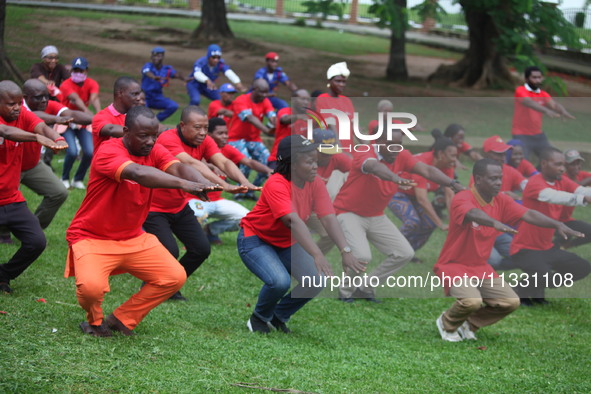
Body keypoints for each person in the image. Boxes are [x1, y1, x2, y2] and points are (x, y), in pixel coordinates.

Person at [64, 106, 220, 337]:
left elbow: (177, 167)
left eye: (154, 135)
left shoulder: (155, 150)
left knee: (174, 276)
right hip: (91, 237)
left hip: (133, 237)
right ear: (126, 131)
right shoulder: (109, 150)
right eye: (143, 135)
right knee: (91, 289)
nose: (150, 141)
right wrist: (185, 185)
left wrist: (201, 183)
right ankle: (94, 322)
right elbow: (137, 173)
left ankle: (122, 318)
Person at [433, 158, 580, 342]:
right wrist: (494, 221)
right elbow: (472, 213)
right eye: (493, 178)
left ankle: (469, 324)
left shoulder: (501, 200)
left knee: (510, 302)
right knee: (472, 301)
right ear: (478, 179)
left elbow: (528, 213)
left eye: (500, 178)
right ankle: (447, 323)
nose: (498, 182)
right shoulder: (463, 197)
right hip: (453, 265)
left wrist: (556, 224)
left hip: (480, 268)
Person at [238, 135, 365, 334]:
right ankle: (258, 319)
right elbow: (292, 220)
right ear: (293, 163)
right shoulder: (276, 184)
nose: (316, 166)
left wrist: (345, 250)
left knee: (315, 280)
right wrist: (317, 254)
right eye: (309, 162)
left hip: (286, 242)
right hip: (256, 239)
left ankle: (277, 316)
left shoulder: (315, 183)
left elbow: (329, 218)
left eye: (316, 161)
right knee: (279, 282)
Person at [332, 128, 464, 302]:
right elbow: (374, 167)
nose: (396, 149)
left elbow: (428, 171)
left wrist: (453, 183)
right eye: (390, 145)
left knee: (404, 253)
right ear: (378, 143)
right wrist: (394, 178)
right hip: (348, 213)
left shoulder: (401, 155)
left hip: (376, 215)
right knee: (362, 256)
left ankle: (365, 288)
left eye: (399, 145)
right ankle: (346, 292)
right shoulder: (365, 153)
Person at [143, 106, 258, 300]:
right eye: (197, 127)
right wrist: (225, 186)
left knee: (201, 249)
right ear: (182, 125)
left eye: (205, 127)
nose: (203, 132)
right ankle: (154, 285)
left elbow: (224, 162)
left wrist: (243, 182)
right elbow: (192, 164)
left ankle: (170, 285)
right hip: (153, 208)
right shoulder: (167, 140)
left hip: (179, 206)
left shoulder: (205, 141)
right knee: (170, 250)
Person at [0, 80, 67, 293]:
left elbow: (41, 126)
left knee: (36, 242)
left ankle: (4, 274)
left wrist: (57, 138)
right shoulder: (7, 123)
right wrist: (37, 138)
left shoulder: (22, 115)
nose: (17, 107)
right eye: (11, 103)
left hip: (12, 199)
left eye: (19, 103)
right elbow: (7, 132)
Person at [510, 148, 591, 305]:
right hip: (525, 249)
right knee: (544, 275)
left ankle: (527, 287)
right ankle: (521, 289)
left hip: (548, 247)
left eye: (563, 165)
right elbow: (554, 197)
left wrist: (585, 195)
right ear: (544, 163)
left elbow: (581, 189)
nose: (562, 168)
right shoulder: (534, 183)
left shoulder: (562, 180)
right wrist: (583, 199)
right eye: (558, 164)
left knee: (582, 267)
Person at [20, 79, 92, 229]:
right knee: (10, 201)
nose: (44, 100)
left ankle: (33, 229)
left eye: (46, 96)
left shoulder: (49, 105)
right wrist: (57, 119)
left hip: (33, 164)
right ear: (25, 97)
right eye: (38, 97)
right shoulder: (16, 106)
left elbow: (71, 113)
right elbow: (33, 116)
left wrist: (99, 119)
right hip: (9, 164)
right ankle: (4, 231)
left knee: (59, 192)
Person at [191, 117, 273, 244]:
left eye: (226, 133)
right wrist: (212, 166)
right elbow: (196, 162)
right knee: (197, 214)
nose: (225, 136)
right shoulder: (196, 148)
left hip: (216, 200)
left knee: (246, 218)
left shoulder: (227, 149)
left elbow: (249, 162)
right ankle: (193, 242)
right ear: (209, 135)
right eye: (220, 133)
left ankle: (210, 231)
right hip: (194, 199)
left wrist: (269, 171)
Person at [388, 133, 457, 255]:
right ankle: (392, 249)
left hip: (413, 195)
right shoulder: (422, 163)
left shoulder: (448, 166)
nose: (455, 160)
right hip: (397, 192)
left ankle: (408, 253)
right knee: (413, 222)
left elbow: (450, 195)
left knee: (429, 224)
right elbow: (422, 199)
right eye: (452, 156)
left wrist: (453, 223)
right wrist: (440, 223)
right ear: (441, 154)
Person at [511, 66, 575, 159]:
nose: (537, 80)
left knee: (551, 158)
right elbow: (528, 102)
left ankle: (538, 173)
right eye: (534, 77)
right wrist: (546, 110)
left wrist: (563, 111)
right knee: (521, 162)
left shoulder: (543, 94)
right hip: (521, 134)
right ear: (526, 79)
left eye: (539, 77)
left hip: (538, 135)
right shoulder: (520, 90)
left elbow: (554, 105)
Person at [228, 78, 276, 199]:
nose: (264, 95)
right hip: (235, 138)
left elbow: (272, 116)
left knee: (268, 164)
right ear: (254, 89)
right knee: (246, 161)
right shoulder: (241, 100)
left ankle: (251, 190)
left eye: (266, 92)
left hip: (253, 139)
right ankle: (240, 191)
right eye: (262, 92)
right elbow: (249, 117)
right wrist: (266, 130)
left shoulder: (265, 101)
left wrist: (275, 125)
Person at [59, 57, 101, 189]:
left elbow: (94, 97)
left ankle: (78, 179)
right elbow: (75, 99)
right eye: (75, 70)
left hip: (83, 123)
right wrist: (89, 113)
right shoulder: (65, 84)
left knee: (89, 152)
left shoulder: (92, 83)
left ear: (86, 71)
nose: (78, 73)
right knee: (72, 151)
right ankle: (64, 178)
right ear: (71, 70)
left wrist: (100, 114)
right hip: (67, 122)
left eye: (81, 70)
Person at [92, 76, 143, 150]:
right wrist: (141, 133)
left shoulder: (136, 117)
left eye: (139, 94)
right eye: (134, 94)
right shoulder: (101, 116)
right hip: (106, 160)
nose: (138, 98)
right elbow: (110, 129)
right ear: (120, 93)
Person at [315, 62, 354, 150]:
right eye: (338, 81)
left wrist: (368, 146)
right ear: (329, 81)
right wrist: (340, 150)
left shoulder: (347, 100)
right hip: (332, 149)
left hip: (348, 148)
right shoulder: (322, 99)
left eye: (344, 82)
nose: (341, 84)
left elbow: (353, 125)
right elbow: (330, 125)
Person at [267, 89, 310, 169]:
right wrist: (298, 116)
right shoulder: (285, 111)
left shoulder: (309, 117)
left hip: (297, 161)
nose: (306, 102)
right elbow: (284, 120)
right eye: (303, 99)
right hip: (278, 159)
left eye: (308, 99)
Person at [141, 46, 186, 122]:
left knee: (173, 106)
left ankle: (155, 121)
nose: (156, 58)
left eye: (158, 56)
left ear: (162, 57)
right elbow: (147, 72)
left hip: (158, 97)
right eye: (154, 55)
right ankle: (145, 123)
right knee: (144, 114)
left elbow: (175, 74)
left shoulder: (166, 69)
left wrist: (184, 78)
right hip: (145, 96)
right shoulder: (148, 66)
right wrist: (154, 77)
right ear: (151, 57)